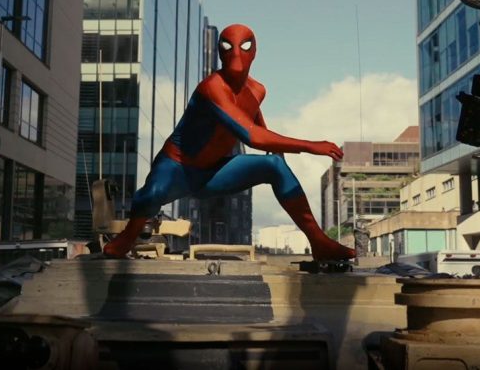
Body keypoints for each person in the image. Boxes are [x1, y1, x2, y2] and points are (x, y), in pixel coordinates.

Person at [103, 24, 355, 261]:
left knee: (275, 166)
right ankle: (127, 237)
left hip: (213, 172)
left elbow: (256, 122)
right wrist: (310, 145)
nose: (236, 54)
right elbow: (251, 136)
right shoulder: (212, 87)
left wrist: (278, 157)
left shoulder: (257, 90)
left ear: (254, 52)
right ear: (219, 52)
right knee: (152, 194)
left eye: (244, 47)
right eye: (228, 46)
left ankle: (319, 242)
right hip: (177, 167)